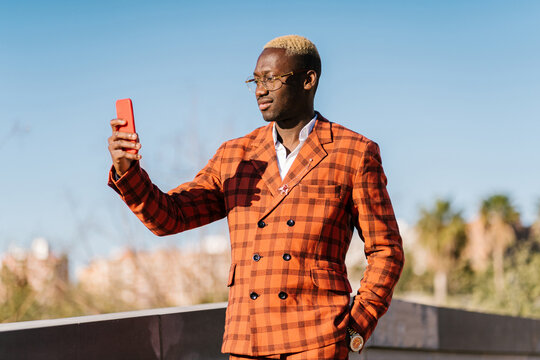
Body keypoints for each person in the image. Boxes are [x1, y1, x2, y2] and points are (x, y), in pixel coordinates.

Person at [107, 35, 404, 360]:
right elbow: (170, 216)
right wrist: (128, 171)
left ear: (308, 80)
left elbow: (386, 250)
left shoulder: (353, 152)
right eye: (255, 80)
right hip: (247, 341)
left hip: (318, 339)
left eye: (271, 79)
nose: (260, 90)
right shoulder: (235, 155)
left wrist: (356, 326)